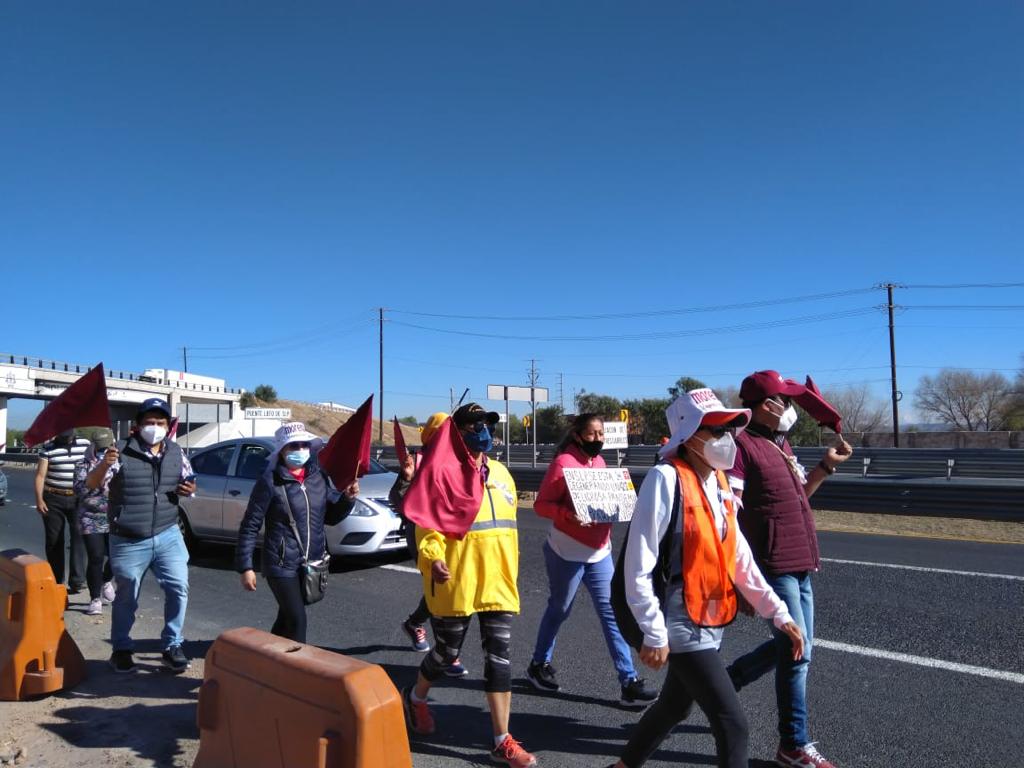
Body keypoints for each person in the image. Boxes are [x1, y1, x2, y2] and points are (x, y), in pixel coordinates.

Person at [609, 389, 804, 768]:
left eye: (729, 428)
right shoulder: (665, 478)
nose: (726, 439)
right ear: (689, 435)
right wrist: (653, 631)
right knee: (733, 725)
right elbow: (639, 562)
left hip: (709, 617)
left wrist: (778, 614)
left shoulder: (720, 483)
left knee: (674, 708)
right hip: (678, 620)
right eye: (714, 429)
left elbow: (739, 557)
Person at [724, 371, 852, 768]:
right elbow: (729, 514)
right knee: (798, 655)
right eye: (785, 400)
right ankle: (792, 745)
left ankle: (728, 682)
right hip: (773, 563)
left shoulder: (781, 443)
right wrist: (739, 580)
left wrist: (826, 466)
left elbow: (799, 496)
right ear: (767, 405)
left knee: (798, 646)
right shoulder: (740, 446)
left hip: (800, 559)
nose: (791, 408)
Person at [402, 403, 537, 768]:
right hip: (456, 581)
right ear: (456, 434)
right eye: (475, 425)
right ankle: (416, 697)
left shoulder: (503, 474)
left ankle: (501, 739)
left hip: (497, 582)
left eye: (488, 425)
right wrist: (432, 559)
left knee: (499, 659)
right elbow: (426, 527)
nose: (484, 432)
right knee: (445, 655)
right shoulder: (440, 473)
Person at [527, 413, 656, 707]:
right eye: (592, 434)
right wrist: (568, 515)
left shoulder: (600, 464)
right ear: (577, 435)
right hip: (566, 550)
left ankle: (629, 680)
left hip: (600, 551)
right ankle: (539, 664)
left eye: (601, 434)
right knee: (560, 608)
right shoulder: (563, 464)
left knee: (612, 613)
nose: (597, 439)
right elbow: (541, 505)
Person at [87, 398, 197, 674]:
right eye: (149, 422)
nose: (155, 427)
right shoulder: (118, 452)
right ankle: (121, 648)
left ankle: (172, 645)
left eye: (160, 422)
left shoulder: (175, 452)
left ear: (167, 426)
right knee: (127, 597)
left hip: (168, 532)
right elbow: (91, 485)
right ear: (137, 425)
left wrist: (188, 488)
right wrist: (104, 465)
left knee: (178, 587)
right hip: (128, 538)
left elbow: (190, 481)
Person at [236, 422, 359, 643]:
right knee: (297, 620)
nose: (300, 450)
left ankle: (265, 658)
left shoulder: (318, 477)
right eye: (293, 446)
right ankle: (298, 672)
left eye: (304, 445)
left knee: (286, 619)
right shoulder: (269, 482)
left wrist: (347, 499)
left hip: (311, 562)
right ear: (281, 451)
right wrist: (246, 567)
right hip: (281, 564)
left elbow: (330, 516)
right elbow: (250, 525)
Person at [391, 412, 468, 676]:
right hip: (423, 534)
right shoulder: (419, 461)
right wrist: (407, 478)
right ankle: (446, 654)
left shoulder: (460, 459)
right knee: (438, 587)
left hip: (452, 533)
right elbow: (400, 502)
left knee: (442, 585)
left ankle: (414, 623)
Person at [35, 429, 91, 592]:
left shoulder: (85, 445)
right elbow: (40, 475)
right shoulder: (48, 448)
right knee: (54, 540)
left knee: (79, 538)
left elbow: (93, 466)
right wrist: (39, 499)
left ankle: (77, 580)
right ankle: (57, 580)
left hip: (79, 498)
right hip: (53, 498)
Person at [73, 429, 117, 616]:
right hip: (91, 517)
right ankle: (94, 598)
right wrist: (101, 470)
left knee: (117, 557)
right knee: (96, 556)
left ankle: (106, 579)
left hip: (116, 517)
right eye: (100, 448)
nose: (104, 451)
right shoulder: (83, 464)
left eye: (107, 447)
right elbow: (81, 490)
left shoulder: (120, 462)